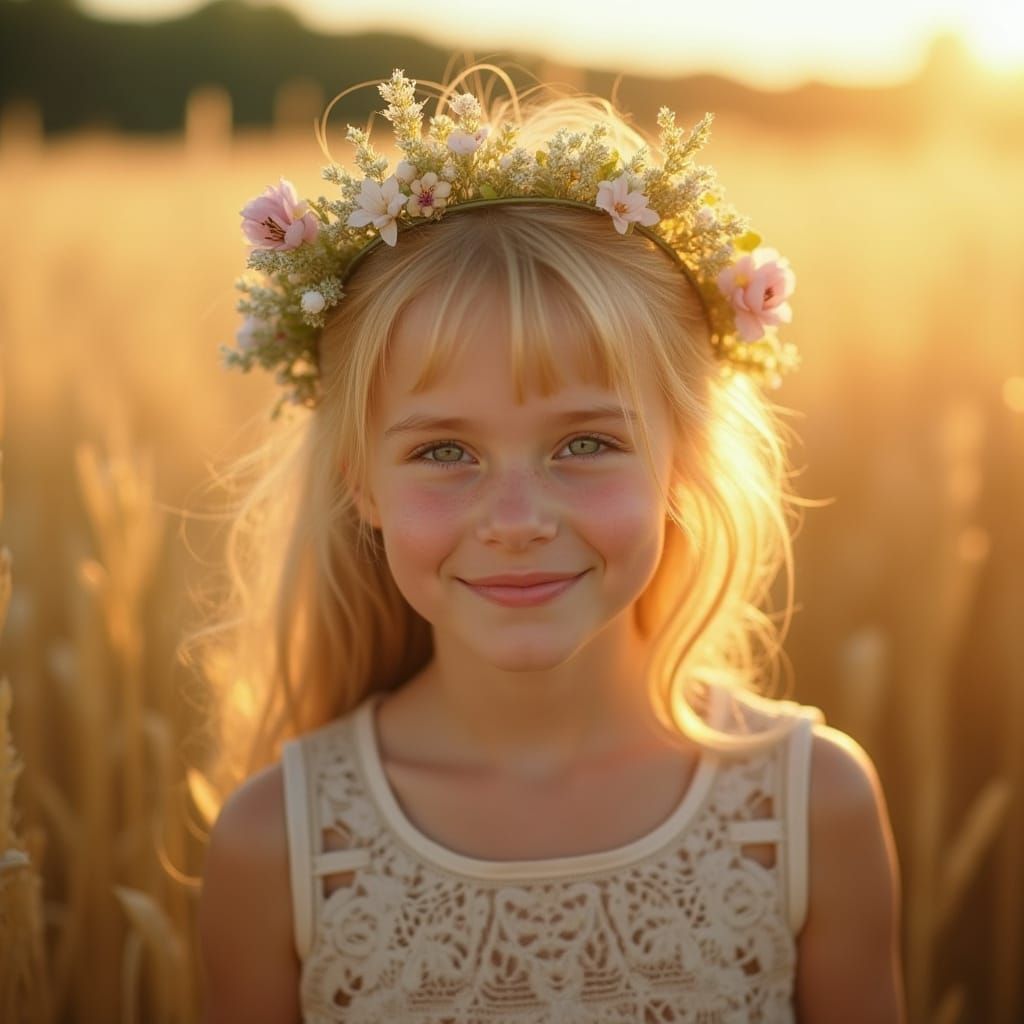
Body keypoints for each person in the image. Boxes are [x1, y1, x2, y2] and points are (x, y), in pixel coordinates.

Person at [193, 66, 905, 1022]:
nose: (518, 517)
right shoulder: (280, 847)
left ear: (682, 459)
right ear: (359, 482)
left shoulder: (808, 811)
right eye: (445, 450)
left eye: (586, 443)